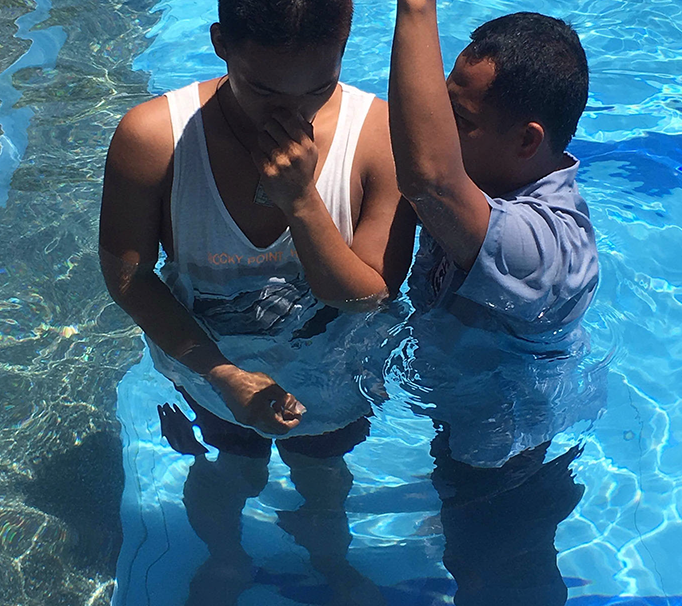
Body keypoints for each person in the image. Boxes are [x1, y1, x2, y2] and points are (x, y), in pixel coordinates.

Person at [100, 0, 414, 603]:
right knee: (228, 465)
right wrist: (222, 375)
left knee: (324, 477)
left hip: (331, 377)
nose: (292, 115)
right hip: (207, 363)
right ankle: (225, 556)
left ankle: (330, 560)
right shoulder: (154, 138)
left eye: (319, 88)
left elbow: (368, 297)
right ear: (220, 43)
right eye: (264, 90)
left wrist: (302, 202)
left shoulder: (379, 138)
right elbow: (130, 280)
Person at [386, 6, 601, 605]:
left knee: (492, 579)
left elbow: (427, 177)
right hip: (471, 423)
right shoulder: (486, 184)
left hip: (507, 462)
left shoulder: (547, 247)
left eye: (458, 119)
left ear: (527, 140)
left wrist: (415, 8)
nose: (439, 129)